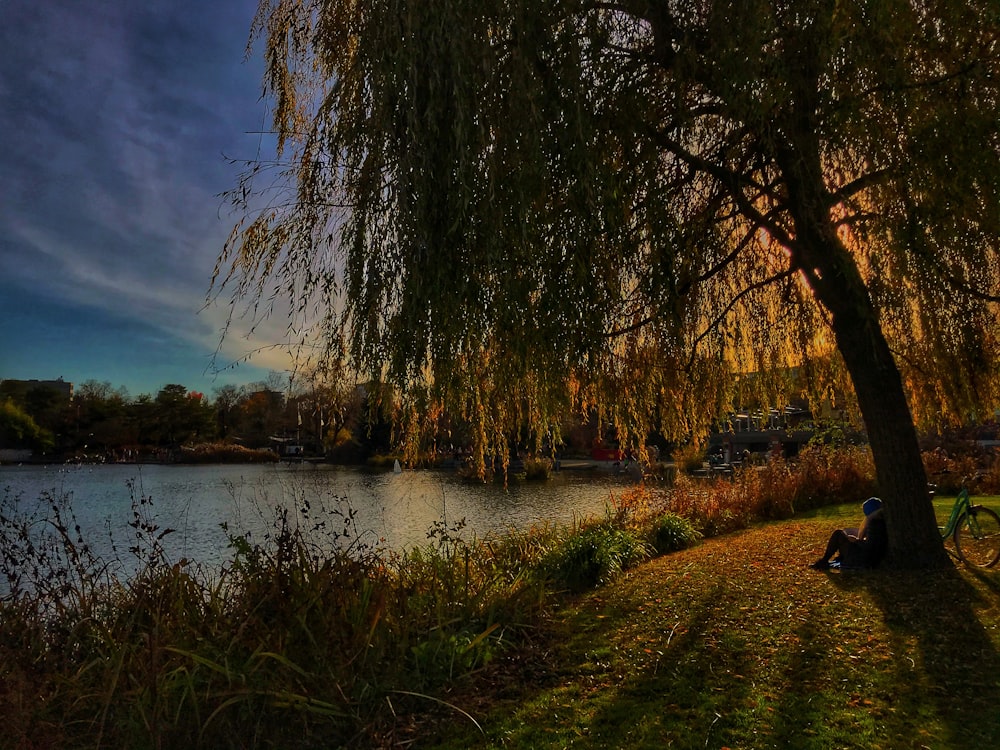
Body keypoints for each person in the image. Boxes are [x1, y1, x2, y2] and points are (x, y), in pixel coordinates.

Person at [810, 497, 888, 570]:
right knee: (844, 535)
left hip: (862, 559)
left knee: (838, 534)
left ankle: (824, 561)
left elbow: (870, 547)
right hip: (867, 557)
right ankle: (832, 559)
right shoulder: (881, 522)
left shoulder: (874, 524)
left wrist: (856, 541)